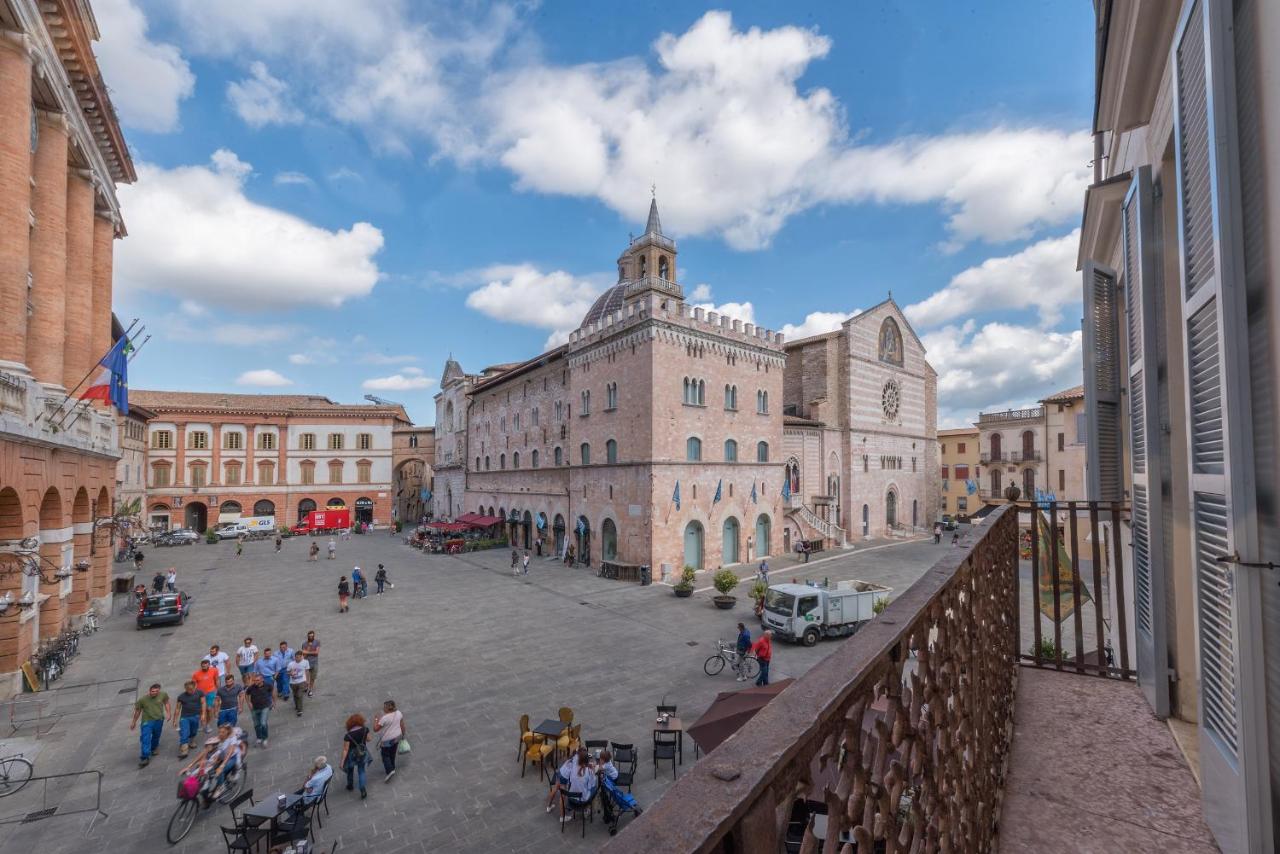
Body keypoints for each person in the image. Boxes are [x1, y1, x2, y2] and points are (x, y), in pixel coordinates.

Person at [130, 682, 170, 767]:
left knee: (156, 735)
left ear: (159, 691)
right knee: (145, 738)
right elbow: (138, 711)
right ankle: (145, 757)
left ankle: (153, 748)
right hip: (147, 721)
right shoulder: (142, 700)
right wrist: (133, 722)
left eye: (156, 691)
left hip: (159, 719)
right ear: (149, 691)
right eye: (153, 691)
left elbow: (166, 702)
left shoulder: (163, 695)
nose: (154, 693)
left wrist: (168, 713)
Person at [372, 699, 405, 782]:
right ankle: (393, 767)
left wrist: (376, 719)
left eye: (384, 707)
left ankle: (389, 770)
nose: (383, 709)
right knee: (392, 753)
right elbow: (402, 725)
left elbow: (375, 729)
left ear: (387, 708)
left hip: (387, 739)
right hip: (397, 736)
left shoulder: (384, 718)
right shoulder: (399, 713)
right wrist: (403, 735)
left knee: (385, 755)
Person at [339, 714, 371, 799]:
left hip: (351, 755)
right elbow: (369, 739)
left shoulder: (348, 736)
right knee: (361, 771)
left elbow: (345, 749)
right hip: (362, 752)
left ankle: (350, 785)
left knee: (350, 769)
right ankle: (362, 789)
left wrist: (342, 762)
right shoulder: (365, 730)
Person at [171, 679, 203, 757]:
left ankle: (191, 741)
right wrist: (175, 720)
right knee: (184, 733)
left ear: (195, 687)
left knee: (193, 731)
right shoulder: (181, 697)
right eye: (188, 689)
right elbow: (178, 708)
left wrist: (203, 714)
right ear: (185, 689)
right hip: (185, 717)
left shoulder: (200, 693)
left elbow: (203, 703)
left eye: (191, 689)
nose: (190, 691)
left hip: (195, 716)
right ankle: (184, 750)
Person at [245, 672, 273, 747]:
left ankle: (265, 738)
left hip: (265, 707)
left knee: (263, 723)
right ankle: (259, 737)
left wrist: (273, 702)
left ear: (262, 680)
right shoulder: (251, 687)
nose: (255, 682)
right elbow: (247, 694)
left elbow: (273, 692)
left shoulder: (268, 685)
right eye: (254, 680)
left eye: (257, 680)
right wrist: (249, 703)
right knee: (257, 724)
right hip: (254, 708)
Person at [191, 659, 220, 733]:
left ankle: (207, 724)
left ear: (209, 665)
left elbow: (216, 679)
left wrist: (218, 690)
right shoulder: (196, 674)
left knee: (209, 709)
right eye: (202, 666)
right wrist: (193, 694)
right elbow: (193, 685)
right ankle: (203, 723)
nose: (204, 667)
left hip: (211, 692)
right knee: (201, 710)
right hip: (200, 694)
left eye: (205, 666)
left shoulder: (214, 670)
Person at [286, 651, 310, 716]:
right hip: (293, 683)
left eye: (299, 657)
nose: (298, 659)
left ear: (302, 656)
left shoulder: (305, 662)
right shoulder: (291, 664)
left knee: (299, 695)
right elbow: (287, 672)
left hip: (302, 681)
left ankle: (300, 710)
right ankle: (297, 705)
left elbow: (307, 671)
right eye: (296, 657)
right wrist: (290, 673)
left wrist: (307, 681)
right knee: (295, 695)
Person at [301, 631, 320, 695]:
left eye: (312, 636)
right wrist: (309, 648)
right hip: (306, 663)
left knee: (313, 677)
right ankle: (306, 687)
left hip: (314, 663)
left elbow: (316, 653)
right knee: (306, 678)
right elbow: (304, 655)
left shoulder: (317, 642)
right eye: (310, 636)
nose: (311, 637)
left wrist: (307, 652)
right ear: (308, 636)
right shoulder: (304, 644)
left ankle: (310, 689)